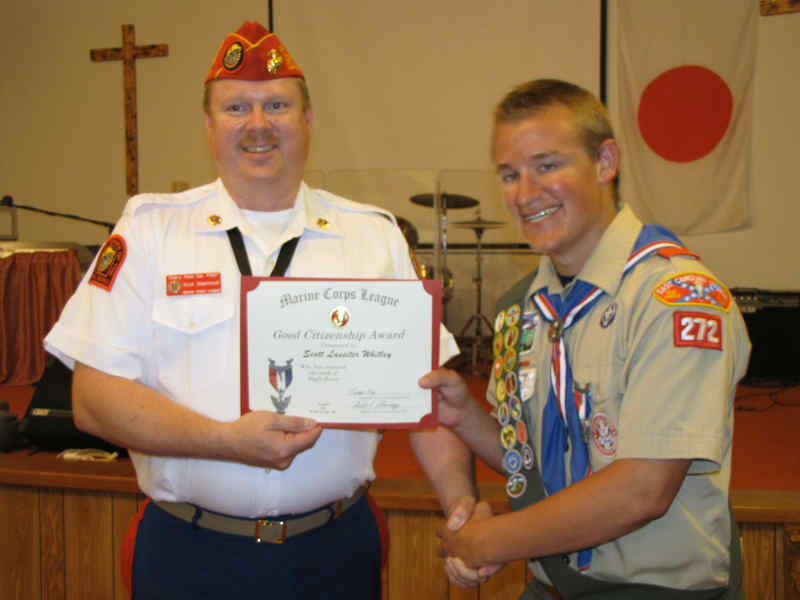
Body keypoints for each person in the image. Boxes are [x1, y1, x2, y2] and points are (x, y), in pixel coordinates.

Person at [43, 21, 464, 599]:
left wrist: (461, 502)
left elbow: (429, 396)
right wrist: (227, 441)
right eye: (236, 107)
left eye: (277, 105)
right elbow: (92, 400)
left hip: (335, 551)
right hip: (190, 553)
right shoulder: (151, 231)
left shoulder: (373, 238)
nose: (258, 124)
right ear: (209, 125)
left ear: (308, 120)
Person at [414, 79, 751, 598]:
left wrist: (491, 541)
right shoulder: (523, 307)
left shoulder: (675, 299)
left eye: (547, 165)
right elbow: (527, 460)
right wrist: (464, 418)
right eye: (509, 174)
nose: (524, 195)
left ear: (605, 161)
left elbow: (643, 490)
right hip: (551, 587)